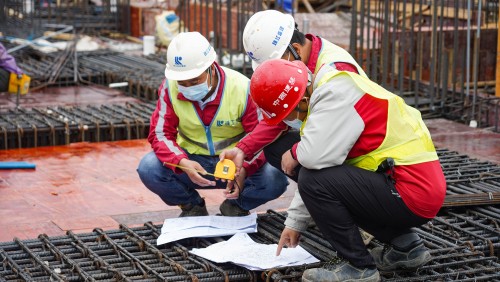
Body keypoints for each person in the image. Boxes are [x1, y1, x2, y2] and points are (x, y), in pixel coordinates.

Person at [223, 59, 446, 281]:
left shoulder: (334, 97)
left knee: (314, 180)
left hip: (409, 192)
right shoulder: (332, 84)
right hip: (412, 187)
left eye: (287, 116)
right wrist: (295, 223)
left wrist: (294, 153)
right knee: (326, 181)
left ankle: (358, 266)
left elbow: (311, 164)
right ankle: (405, 247)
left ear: (301, 101)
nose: (288, 122)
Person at [136, 32, 288, 217]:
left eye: (194, 80)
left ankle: (236, 206)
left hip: (236, 163)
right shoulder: (169, 87)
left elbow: (261, 135)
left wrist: (245, 168)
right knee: (149, 168)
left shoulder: (242, 88)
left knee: (274, 176)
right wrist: (181, 162)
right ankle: (192, 206)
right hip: (192, 161)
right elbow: (160, 134)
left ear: (211, 68)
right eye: (182, 81)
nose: (188, 86)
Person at [227, 9, 369, 182]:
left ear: (295, 50)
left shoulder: (336, 70)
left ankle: (328, 197)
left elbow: (338, 138)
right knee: (276, 148)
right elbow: (279, 115)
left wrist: (297, 153)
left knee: (309, 167)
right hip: (328, 134)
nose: (273, 71)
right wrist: (243, 149)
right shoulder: (302, 62)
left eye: (275, 63)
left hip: (358, 152)